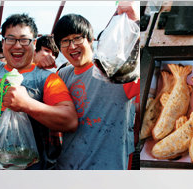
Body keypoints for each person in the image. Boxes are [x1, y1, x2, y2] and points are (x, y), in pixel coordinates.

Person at [0, 12, 77, 169]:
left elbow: (70, 120)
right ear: (3, 42)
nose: (17, 45)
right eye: (10, 39)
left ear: (34, 42)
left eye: (24, 40)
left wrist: (27, 104)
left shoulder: (47, 78)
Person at [52, 4, 140, 170]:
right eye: (65, 41)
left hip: (108, 169)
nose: (72, 46)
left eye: (77, 38)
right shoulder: (62, 75)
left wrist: (135, 22)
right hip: (67, 167)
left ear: (91, 40)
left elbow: (140, 77)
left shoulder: (113, 69)